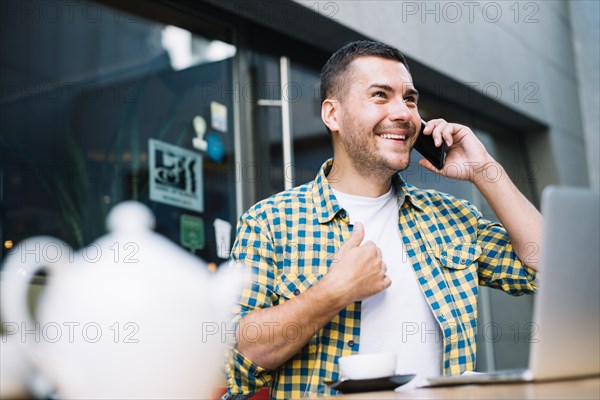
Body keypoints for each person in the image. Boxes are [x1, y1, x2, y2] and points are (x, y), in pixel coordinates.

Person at [224, 40, 542, 399]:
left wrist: (485, 171)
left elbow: (548, 269)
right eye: (380, 95)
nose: (405, 113)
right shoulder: (271, 222)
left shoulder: (452, 218)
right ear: (333, 114)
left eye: (409, 99)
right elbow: (239, 360)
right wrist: (334, 291)